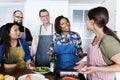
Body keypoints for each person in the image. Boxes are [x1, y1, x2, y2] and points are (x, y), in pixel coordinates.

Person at [74, 7, 120, 80]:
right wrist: (86, 63)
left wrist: (97, 69)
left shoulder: (108, 41)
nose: (86, 22)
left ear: (92, 22)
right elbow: (103, 60)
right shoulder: (96, 38)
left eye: (87, 19)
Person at [49, 15, 86, 80]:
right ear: (59, 27)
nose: (67, 24)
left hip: (74, 67)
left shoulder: (75, 35)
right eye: (63, 24)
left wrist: (84, 54)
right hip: (59, 68)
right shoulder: (55, 36)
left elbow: (79, 51)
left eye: (67, 22)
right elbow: (52, 51)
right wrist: (51, 53)